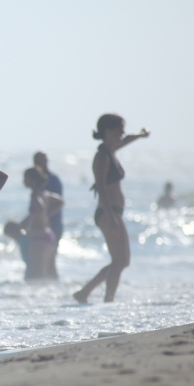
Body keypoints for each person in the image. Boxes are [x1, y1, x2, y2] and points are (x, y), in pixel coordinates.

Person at [73, 114, 150, 303]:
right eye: (119, 130)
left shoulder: (111, 150)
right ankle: (107, 299)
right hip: (108, 213)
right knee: (119, 261)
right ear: (107, 131)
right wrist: (110, 215)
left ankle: (85, 293)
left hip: (114, 212)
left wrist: (140, 135)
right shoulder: (102, 157)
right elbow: (100, 186)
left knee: (122, 261)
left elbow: (126, 141)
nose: (122, 133)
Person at [20, 166, 63, 280]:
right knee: (51, 273)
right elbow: (60, 202)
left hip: (38, 237)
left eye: (26, 179)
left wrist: (39, 213)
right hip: (48, 235)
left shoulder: (35, 194)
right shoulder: (45, 193)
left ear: (32, 180)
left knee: (38, 275)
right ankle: (58, 295)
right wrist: (47, 214)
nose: (24, 182)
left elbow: (39, 208)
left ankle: (39, 297)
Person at [33, 151, 63, 276]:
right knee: (44, 264)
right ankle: (49, 288)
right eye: (38, 161)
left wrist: (43, 217)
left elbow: (58, 202)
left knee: (50, 261)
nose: (41, 163)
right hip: (44, 228)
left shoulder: (53, 180)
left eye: (43, 161)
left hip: (54, 224)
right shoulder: (36, 182)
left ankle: (52, 288)